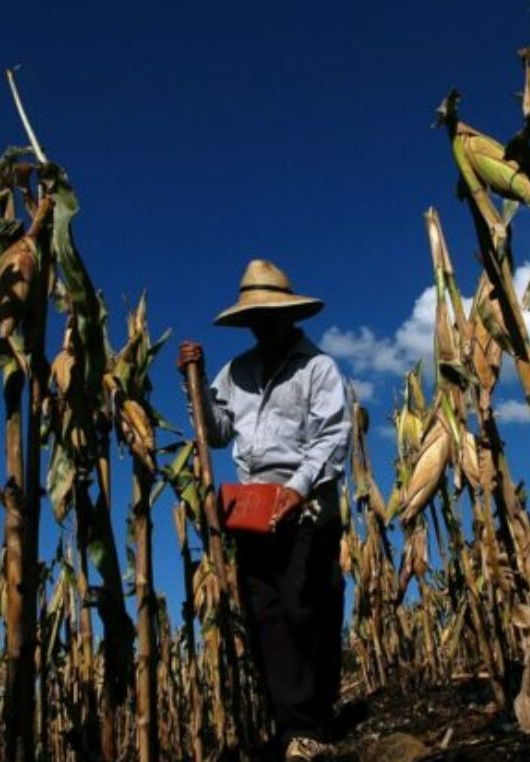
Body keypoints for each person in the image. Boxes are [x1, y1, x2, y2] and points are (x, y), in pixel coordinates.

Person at [177, 259, 352, 762]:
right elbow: (215, 433)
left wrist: (295, 490)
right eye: (254, 318)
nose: (262, 325)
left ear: (288, 316)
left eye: (270, 316)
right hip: (254, 511)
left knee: (306, 606)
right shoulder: (237, 372)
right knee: (267, 618)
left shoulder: (317, 369)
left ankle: (316, 716)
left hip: (309, 505)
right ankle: (296, 729)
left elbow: (332, 436)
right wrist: (198, 380)